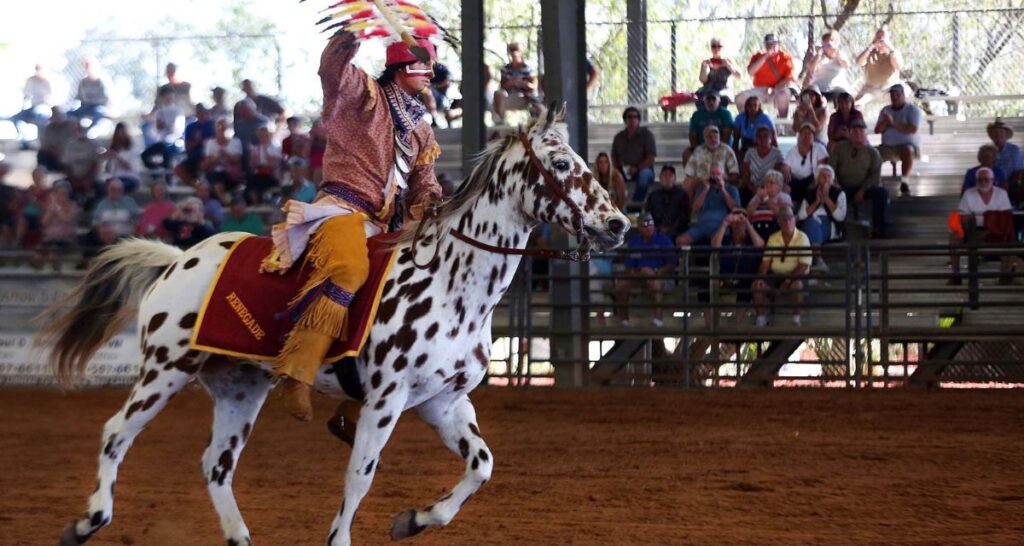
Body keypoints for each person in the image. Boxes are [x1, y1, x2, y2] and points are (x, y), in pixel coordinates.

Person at [261, 30, 443, 423]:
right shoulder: (364, 95)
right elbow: (332, 71)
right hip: (342, 209)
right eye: (422, 63)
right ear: (399, 66)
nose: (430, 71)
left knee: (409, 290)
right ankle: (297, 372)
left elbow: (423, 181)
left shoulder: (421, 129)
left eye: (431, 64)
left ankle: (359, 400)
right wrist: (352, 34)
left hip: (385, 225)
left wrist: (431, 203)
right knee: (349, 269)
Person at [948, 168, 1013, 285]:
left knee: (1007, 238)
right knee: (954, 238)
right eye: (980, 180)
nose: (983, 182)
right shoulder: (969, 193)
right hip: (973, 230)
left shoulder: (1001, 194)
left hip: (995, 231)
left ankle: (1005, 275)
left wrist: (990, 227)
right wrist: (974, 230)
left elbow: (1005, 218)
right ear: (976, 180)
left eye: (986, 179)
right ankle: (955, 274)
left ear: (993, 180)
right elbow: (963, 217)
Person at [829, 118, 888, 238]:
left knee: (882, 193)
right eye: (854, 131)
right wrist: (835, 184)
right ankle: (835, 230)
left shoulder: (873, 152)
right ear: (849, 133)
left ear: (866, 133)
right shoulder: (839, 148)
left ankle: (878, 229)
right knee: (829, 193)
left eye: (861, 131)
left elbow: (876, 177)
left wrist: (862, 190)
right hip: (842, 187)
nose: (858, 134)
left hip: (863, 188)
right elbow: (831, 168)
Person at [753, 206, 810, 327]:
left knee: (797, 284)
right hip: (775, 275)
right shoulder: (773, 238)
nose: (787, 222)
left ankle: (796, 318)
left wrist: (789, 279)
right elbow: (766, 262)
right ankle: (761, 318)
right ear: (779, 222)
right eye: (784, 219)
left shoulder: (802, 238)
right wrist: (761, 277)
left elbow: (804, 265)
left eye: (790, 219)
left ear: (794, 220)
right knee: (756, 284)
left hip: (796, 276)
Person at [615, 213, 675, 327]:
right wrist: (635, 272)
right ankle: (624, 321)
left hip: (662, 277)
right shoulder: (634, 242)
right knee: (621, 285)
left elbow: (671, 265)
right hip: (639, 277)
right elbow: (629, 266)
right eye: (645, 225)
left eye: (651, 224)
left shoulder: (663, 240)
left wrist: (656, 272)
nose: (648, 227)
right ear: (639, 228)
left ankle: (658, 320)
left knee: (654, 282)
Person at [797, 165, 847, 272]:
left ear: (832, 180)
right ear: (817, 179)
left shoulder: (839, 193)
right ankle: (818, 261)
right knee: (811, 223)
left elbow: (840, 217)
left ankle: (814, 260)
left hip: (829, 224)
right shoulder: (810, 193)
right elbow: (801, 215)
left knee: (812, 225)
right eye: (823, 176)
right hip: (810, 223)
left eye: (829, 176)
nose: (826, 178)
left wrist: (826, 198)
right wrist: (817, 202)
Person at [874, 84, 922, 195]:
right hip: (887, 148)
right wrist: (885, 122)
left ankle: (904, 182)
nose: (894, 97)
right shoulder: (885, 110)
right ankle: (875, 182)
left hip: (908, 147)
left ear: (903, 95)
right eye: (892, 95)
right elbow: (877, 130)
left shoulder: (912, 110)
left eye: (897, 94)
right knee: (873, 153)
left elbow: (913, 129)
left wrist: (893, 123)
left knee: (907, 150)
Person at [678, 163, 740, 246]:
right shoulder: (702, 189)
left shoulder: (731, 189)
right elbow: (695, 209)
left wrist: (723, 190)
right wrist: (705, 190)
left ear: (723, 175)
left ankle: (715, 259)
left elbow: (735, 209)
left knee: (716, 242)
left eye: (718, 174)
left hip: (720, 226)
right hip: (700, 226)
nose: (715, 177)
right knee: (680, 240)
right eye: (712, 174)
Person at [712, 208, 765, 305]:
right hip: (726, 280)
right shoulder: (726, 239)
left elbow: (760, 245)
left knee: (745, 290)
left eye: (740, 221)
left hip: (746, 279)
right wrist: (725, 223)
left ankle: (737, 321)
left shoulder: (751, 240)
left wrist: (747, 223)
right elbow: (715, 246)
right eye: (735, 221)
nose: (738, 224)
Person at [736, 34, 796, 118]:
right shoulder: (757, 56)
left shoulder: (785, 57)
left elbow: (789, 78)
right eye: (768, 44)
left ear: (778, 44)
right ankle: (747, 123)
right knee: (740, 98)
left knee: (782, 95)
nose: (771, 46)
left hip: (779, 88)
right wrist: (765, 56)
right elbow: (750, 72)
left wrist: (774, 89)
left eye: (774, 43)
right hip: (760, 90)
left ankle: (782, 123)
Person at [611, 106, 657, 202]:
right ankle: (619, 206)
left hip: (643, 170)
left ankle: (635, 206)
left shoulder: (646, 135)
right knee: (613, 176)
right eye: (629, 117)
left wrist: (636, 168)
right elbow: (614, 156)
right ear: (625, 120)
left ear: (639, 119)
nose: (632, 119)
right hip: (624, 170)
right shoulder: (618, 137)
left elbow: (651, 158)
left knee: (644, 176)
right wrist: (620, 169)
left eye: (635, 117)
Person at [682, 125, 739, 199]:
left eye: (715, 137)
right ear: (704, 138)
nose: (713, 139)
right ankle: (691, 210)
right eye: (709, 137)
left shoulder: (727, 150)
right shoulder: (698, 150)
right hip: (702, 182)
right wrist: (701, 181)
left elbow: (735, 174)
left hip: (721, 181)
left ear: (719, 137)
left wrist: (723, 179)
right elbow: (689, 173)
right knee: (688, 182)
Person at [854, 26, 904, 107]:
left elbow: (898, 66)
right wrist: (871, 47)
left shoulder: (894, 52)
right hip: (870, 89)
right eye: (878, 36)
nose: (880, 40)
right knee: (857, 104)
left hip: (889, 89)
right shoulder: (870, 52)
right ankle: (857, 119)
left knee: (899, 99)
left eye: (883, 36)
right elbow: (858, 62)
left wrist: (890, 48)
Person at [783, 122, 830, 206]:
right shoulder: (793, 151)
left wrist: (815, 182)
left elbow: (822, 168)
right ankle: (789, 208)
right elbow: (785, 165)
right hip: (795, 181)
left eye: (809, 134)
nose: (807, 136)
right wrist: (786, 169)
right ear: (800, 135)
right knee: (785, 186)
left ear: (813, 136)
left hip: (812, 181)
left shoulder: (819, 148)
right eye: (804, 133)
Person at [492, 42, 538, 125]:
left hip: (525, 98)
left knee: (537, 102)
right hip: (510, 96)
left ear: (520, 51)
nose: (514, 52)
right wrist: (511, 82)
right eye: (511, 50)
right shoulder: (505, 69)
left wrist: (522, 83)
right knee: (497, 94)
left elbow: (533, 86)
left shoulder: (528, 68)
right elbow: (502, 86)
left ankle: (537, 124)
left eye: (516, 50)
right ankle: (499, 123)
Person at [86, 178, 140, 249]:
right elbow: (95, 222)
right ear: (108, 190)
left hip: (123, 233)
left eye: (119, 189)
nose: (116, 191)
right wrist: (101, 229)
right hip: (104, 233)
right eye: (113, 189)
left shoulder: (129, 202)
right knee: (88, 237)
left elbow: (136, 221)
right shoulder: (102, 204)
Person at [140, 87, 185, 170]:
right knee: (145, 156)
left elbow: (178, 130)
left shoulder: (178, 111)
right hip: (162, 142)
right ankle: (157, 171)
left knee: (167, 153)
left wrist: (168, 126)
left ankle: (168, 173)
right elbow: (157, 130)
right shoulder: (159, 112)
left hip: (175, 141)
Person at [684, 91, 735, 165]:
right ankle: (690, 175)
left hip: (722, 146)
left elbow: (727, 134)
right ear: (704, 101)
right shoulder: (697, 115)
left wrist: (716, 148)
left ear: (719, 100)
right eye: (708, 99)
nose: (711, 102)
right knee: (687, 154)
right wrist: (696, 149)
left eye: (713, 99)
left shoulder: (726, 114)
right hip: (702, 147)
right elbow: (692, 134)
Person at [9, 64, 52, 149]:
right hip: (33, 106)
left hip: (44, 107)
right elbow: (26, 95)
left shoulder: (48, 81)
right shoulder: (31, 80)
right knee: (16, 118)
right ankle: (25, 142)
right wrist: (24, 107)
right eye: (38, 69)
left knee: (41, 117)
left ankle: (42, 142)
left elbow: (50, 98)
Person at [643, 164, 690, 241]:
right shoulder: (653, 195)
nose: (667, 178)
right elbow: (647, 214)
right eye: (664, 175)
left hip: (676, 231)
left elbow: (684, 218)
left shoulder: (682, 195)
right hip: (655, 229)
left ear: (675, 179)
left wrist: (669, 228)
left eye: (670, 175)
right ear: (660, 178)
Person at [740, 125, 786, 204]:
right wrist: (753, 189)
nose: (762, 139)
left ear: (770, 137)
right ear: (756, 139)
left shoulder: (777, 153)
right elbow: (745, 173)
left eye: (765, 136)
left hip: (771, 188)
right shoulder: (750, 152)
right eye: (759, 136)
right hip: (752, 187)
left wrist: (767, 189)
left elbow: (779, 175)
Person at [201, 118, 244, 201]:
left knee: (216, 179)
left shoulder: (236, 142)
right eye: (219, 127)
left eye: (224, 127)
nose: (222, 129)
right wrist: (216, 158)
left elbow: (237, 160)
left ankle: (225, 200)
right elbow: (206, 163)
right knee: (214, 178)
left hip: (230, 174)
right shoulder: (210, 143)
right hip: (214, 173)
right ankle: (226, 200)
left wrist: (226, 154)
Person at [174, 104, 216, 186]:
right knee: (178, 169)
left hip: (209, 157)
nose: (202, 115)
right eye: (199, 112)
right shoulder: (191, 127)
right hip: (194, 157)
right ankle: (196, 185)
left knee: (205, 164)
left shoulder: (213, 125)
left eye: (204, 112)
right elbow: (188, 148)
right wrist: (196, 141)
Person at [802, 31, 851, 101]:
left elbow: (846, 65)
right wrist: (818, 55)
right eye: (825, 41)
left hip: (837, 88)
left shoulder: (840, 55)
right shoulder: (818, 56)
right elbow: (811, 69)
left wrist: (837, 54)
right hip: (819, 88)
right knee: (809, 96)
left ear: (836, 43)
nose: (828, 43)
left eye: (831, 40)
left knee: (844, 97)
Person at [746, 169, 792, 240]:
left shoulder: (783, 197)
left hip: (774, 228)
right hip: (755, 228)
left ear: (779, 187)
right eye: (766, 182)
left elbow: (783, 213)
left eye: (771, 183)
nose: (767, 185)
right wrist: (758, 199)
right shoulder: (757, 196)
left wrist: (766, 199)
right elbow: (747, 214)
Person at [697, 37, 742, 107]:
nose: (716, 49)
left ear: (723, 48)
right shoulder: (706, 62)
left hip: (724, 89)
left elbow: (739, 75)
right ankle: (704, 117)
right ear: (711, 48)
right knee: (699, 97)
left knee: (721, 98)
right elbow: (702, 80)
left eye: (719, 46)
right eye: (714, 46)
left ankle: (720, 117)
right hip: (709, 89)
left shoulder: (728, 61)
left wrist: (729, 66)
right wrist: (705, 69)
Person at [987, 119, 1023, 202]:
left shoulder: (1014, 150)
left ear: (1006, 135)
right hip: (990, 188)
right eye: (995, 132)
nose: (998, 134)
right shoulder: (987, 150)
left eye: (1001, 132)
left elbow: (1019, 171)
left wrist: (1005, 185)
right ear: (991, 135)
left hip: (1012, 189)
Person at [68, 57, 109, 129]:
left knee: (99, 113)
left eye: (89, 66)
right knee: (69, 114)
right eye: (86, 66)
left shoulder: (102, 80)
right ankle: (78, 132)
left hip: (98, 107)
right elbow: (78, 97)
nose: (88, 68)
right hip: (85, 106)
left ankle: (88, 132)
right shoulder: (83, 82)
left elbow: (107, 98)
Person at [246, 125, 282, 204]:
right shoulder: (256, 149)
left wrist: (265, 153)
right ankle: (254, 202)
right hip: (259, 174)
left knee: (260, 182)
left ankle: (262, 201)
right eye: (261, 136)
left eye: (265, 136)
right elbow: (252, 165)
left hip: (272, 175)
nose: (263, 138)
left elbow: (272, 164)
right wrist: (254, 160)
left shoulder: (275, 148)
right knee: (250, 180)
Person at [101, 122, 140, 194]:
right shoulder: (113, 148)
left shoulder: (133, 147)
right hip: (115, 178)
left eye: (122, 133)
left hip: (130, 177)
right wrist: (108, 158)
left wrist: (116, 156)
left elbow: (129, 167)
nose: (121, 136)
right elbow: (108, 170)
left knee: (117, 188)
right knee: (101, 187)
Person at [37, 107, 77, 172]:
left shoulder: (71, 127)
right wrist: (55, 151)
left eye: (59, 115)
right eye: (55, 115)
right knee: (42, 153)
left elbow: (76, 142)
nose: (57, 117)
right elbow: (45, 144)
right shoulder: (49, 128)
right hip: (54, 154)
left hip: (69, 154)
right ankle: (43, 171)